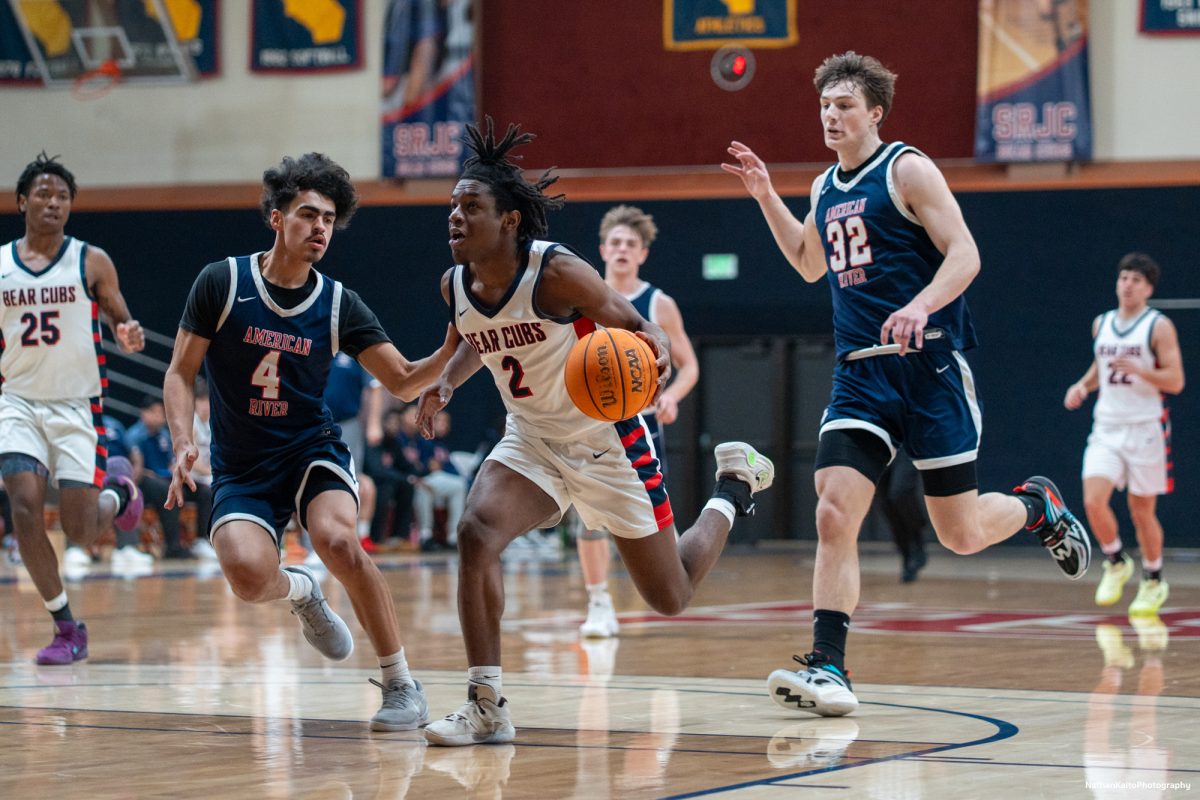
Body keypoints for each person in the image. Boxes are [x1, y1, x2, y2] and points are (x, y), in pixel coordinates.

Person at [723, 51, 1092, 717]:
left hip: (930, 368)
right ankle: (830, 664)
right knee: (833, 508)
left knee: (961, 534)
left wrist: (920, 306)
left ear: (874, 113)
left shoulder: (906, 169)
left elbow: (966, 253)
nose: (829, 116)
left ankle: (1037, 506)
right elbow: (809, 264)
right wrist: (766, 198)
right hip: (860, 374)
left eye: (842, 106)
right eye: (824, 106)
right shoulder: (824, 189)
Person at [415, 119, 775, 746]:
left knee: (672, 594)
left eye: (470, 207)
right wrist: (445, 382)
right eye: (452, 206)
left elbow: (634, 323)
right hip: (530, 440)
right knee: (476, 533)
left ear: (509, 221)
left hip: (608, 443)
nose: (454, 217)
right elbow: (473, 341)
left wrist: (657, 349)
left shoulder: (556, 273)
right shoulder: (455, 286)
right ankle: (486, 704)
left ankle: (733, 487)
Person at [161, 152, 457, 730]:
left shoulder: (338, 303)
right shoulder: (221, 282)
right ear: (276, 217)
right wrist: (180, 442)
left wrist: (448, 355)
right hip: (242, 466)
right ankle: (300, 590)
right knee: (248, 577)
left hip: (309, 452)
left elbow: (399, 379)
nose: (320, 227)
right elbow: (179, 372)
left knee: (338, 541)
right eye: (307, 214)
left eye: (328, 218)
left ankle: (401, 683)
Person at [0, 152, 145, 664]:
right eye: (43, 193)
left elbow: (122, 322)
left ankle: (120, 495)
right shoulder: (0, 265)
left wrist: (128, 333)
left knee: (81, 529)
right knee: (23, 507)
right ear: (22, 202)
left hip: (76, 406)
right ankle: (65, 627)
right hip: (17, 402)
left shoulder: (91, 260)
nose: (53, 202)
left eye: (62, 196)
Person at [576, 204, 700, 639]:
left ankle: (674, 577)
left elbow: (690, 367)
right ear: (603, 250)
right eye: (616, 243)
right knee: (588, 518)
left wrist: (672, 396)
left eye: (631, 244)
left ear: (643, 253)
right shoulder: (583, 297)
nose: (623, 250)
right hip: (591, 421)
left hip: (642, 423)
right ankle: (598, 604)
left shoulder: (658, 303)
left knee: (649, 519)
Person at [1063, 253, 1184, 615]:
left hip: (1146, 427)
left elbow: (1176, 381)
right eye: (1124, 278)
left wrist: (1142, 371)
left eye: (1136, 280)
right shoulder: (1102, 323)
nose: (1128, 284)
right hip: (1107, 426)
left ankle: (1153, 578)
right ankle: (1116, 561)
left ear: (1148, 289)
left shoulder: (1158, 327)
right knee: (1092, 500)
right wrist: (1083, 386)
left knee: (1141, 511)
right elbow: (1102, 367)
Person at [127, 395, 211, 559]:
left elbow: (172, 462)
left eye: (162, 412)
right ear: (144, 413)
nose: (160, 417)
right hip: (145, 482)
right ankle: (173, 546)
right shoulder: (134, 436)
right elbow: (135, 468)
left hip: (166, 479)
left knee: (204, 491)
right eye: (156, 412)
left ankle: (201, 541)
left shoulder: (165, 435)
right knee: (166, 490)